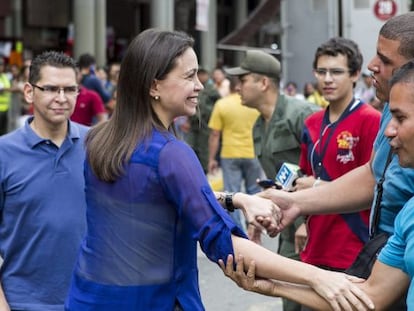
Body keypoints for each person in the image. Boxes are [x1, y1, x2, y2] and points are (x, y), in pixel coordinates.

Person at [64, 28, 373, 311]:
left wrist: (238, 199)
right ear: (154, 85)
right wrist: (318, 278)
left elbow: (161, 197)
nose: (200, 85)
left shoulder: (98, 139)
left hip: (87, 298)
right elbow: (224, 243)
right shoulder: (170, 153)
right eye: (189, 76)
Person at [220, 58, 414, 311]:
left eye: (399, 117)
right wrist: (273, 286)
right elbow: (370, 298)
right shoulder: (408, 214)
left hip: (350, 240)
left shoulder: (365, 119)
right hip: (325, 242)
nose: (389, 131)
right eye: (321, 71)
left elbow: (369, 178)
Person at [225, 49, 320, 311]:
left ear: (263, 83)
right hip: (288, 224)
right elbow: (282, 178)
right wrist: (259, 214)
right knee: (291, 298)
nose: (237, 87)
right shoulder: (259, 125)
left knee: (314, 296)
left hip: (314, 224)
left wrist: (308, 220)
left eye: (243, 80)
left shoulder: (301, 114)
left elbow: (324, 171)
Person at [0, 51, 88, 310]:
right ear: (29, 92)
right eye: (50, 89)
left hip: (90, 300)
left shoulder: (97, 145)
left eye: (69, 89)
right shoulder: (3, 153)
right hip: (23, 303)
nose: (61, 99)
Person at [293, 37, 381, 272]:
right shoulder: (311, 123)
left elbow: (373, 187)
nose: (327, 79)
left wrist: (316, 186)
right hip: (314, 247)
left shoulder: (371, 121)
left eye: (336, 72)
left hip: (353, 249)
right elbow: (305, 179)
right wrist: (303, 223)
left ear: (354, 75)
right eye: (321, 72)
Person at [207, 76, 263, 233]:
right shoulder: (253, 105)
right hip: (253, 152)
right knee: (254, 192)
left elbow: (215, 134)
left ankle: (237, 234)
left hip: (230, 153)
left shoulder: (222, 104)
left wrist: (211, 158)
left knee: (231, 195)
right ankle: (255, 227)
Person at [186, 68, 221, 172]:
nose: (200, 76)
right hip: (194, 123)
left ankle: (204, 170)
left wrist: (209, 111)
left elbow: (218, 103)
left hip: (206, 123)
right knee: (191, 147)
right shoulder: (194, 86)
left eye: (202, 74)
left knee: (204, 149)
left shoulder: (211, 89)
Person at [0, 58, 11, 135]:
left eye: (1, 65)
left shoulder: (5, 77)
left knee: (4, 132)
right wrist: (16, 89)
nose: (1, 67)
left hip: (6, 110)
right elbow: (2, 89)